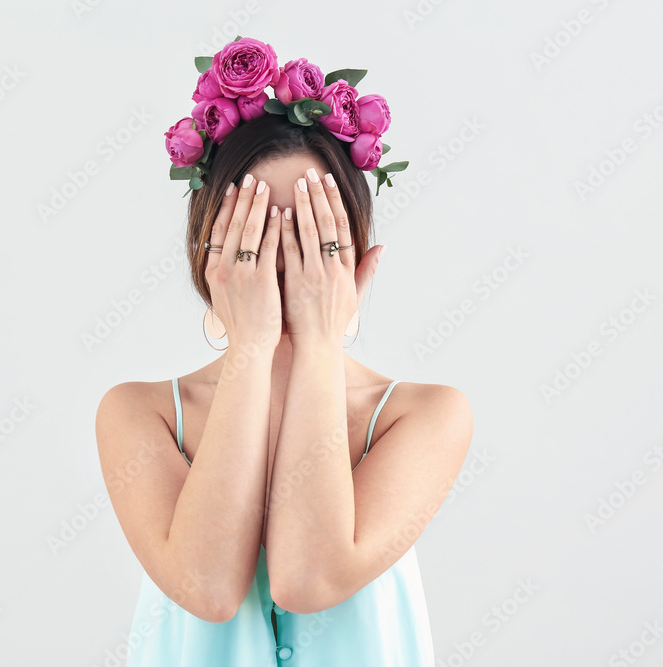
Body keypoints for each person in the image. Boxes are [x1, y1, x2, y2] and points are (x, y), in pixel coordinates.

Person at [95, 37, 473, 665]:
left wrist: (321, 342)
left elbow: (308, 581)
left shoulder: (426, 416)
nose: (287, 266)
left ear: (362, 261)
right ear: (207, 255)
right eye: (255, 234)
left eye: (316, 238)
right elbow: (208, 589)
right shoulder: (140, 414)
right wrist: (251, 350)